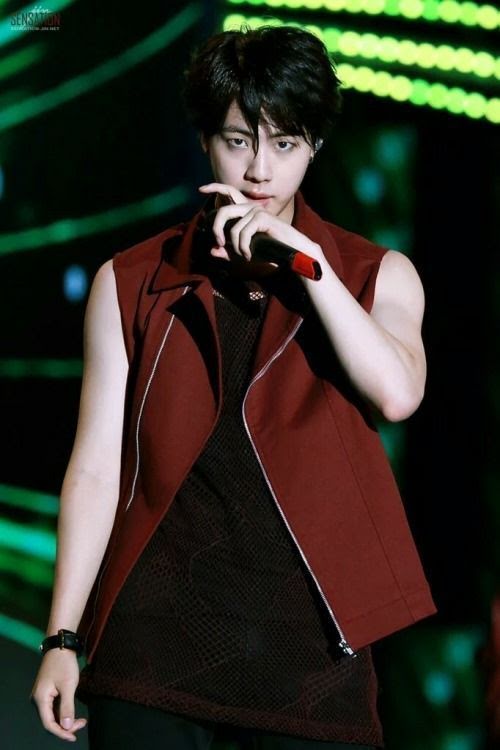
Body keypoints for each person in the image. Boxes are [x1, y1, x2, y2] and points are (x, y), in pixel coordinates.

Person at [31, 25, 436, 749]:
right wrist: (62, 636)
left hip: (310, 660)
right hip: (153, 652)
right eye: (238, 140)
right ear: (204, 140)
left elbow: (398, 393)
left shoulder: (375, 275)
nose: (259, 170)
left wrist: (309, 265)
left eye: (285, 144)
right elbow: (95, 469)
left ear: (315, 146)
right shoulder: (131, 281)